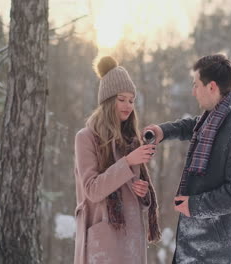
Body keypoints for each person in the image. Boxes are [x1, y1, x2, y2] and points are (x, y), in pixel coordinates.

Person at [145, 54, 231, 264]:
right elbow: (192, 125)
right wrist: (162, 131)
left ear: (212, 87)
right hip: (190, 248)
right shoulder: (213, 120)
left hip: (214, 253)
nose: (193, 91)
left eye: (196, 85)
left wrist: (195, 206)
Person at [73, 56, 161, 264]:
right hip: (103, 244)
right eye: (121, 99)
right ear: (108, 100)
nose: (128, 105)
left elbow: (132, 194)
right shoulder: (85, 137)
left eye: (131, 100)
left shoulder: (132, 140)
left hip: (132, 242)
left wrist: (142, 192)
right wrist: (128, 162)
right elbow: (92, 190)